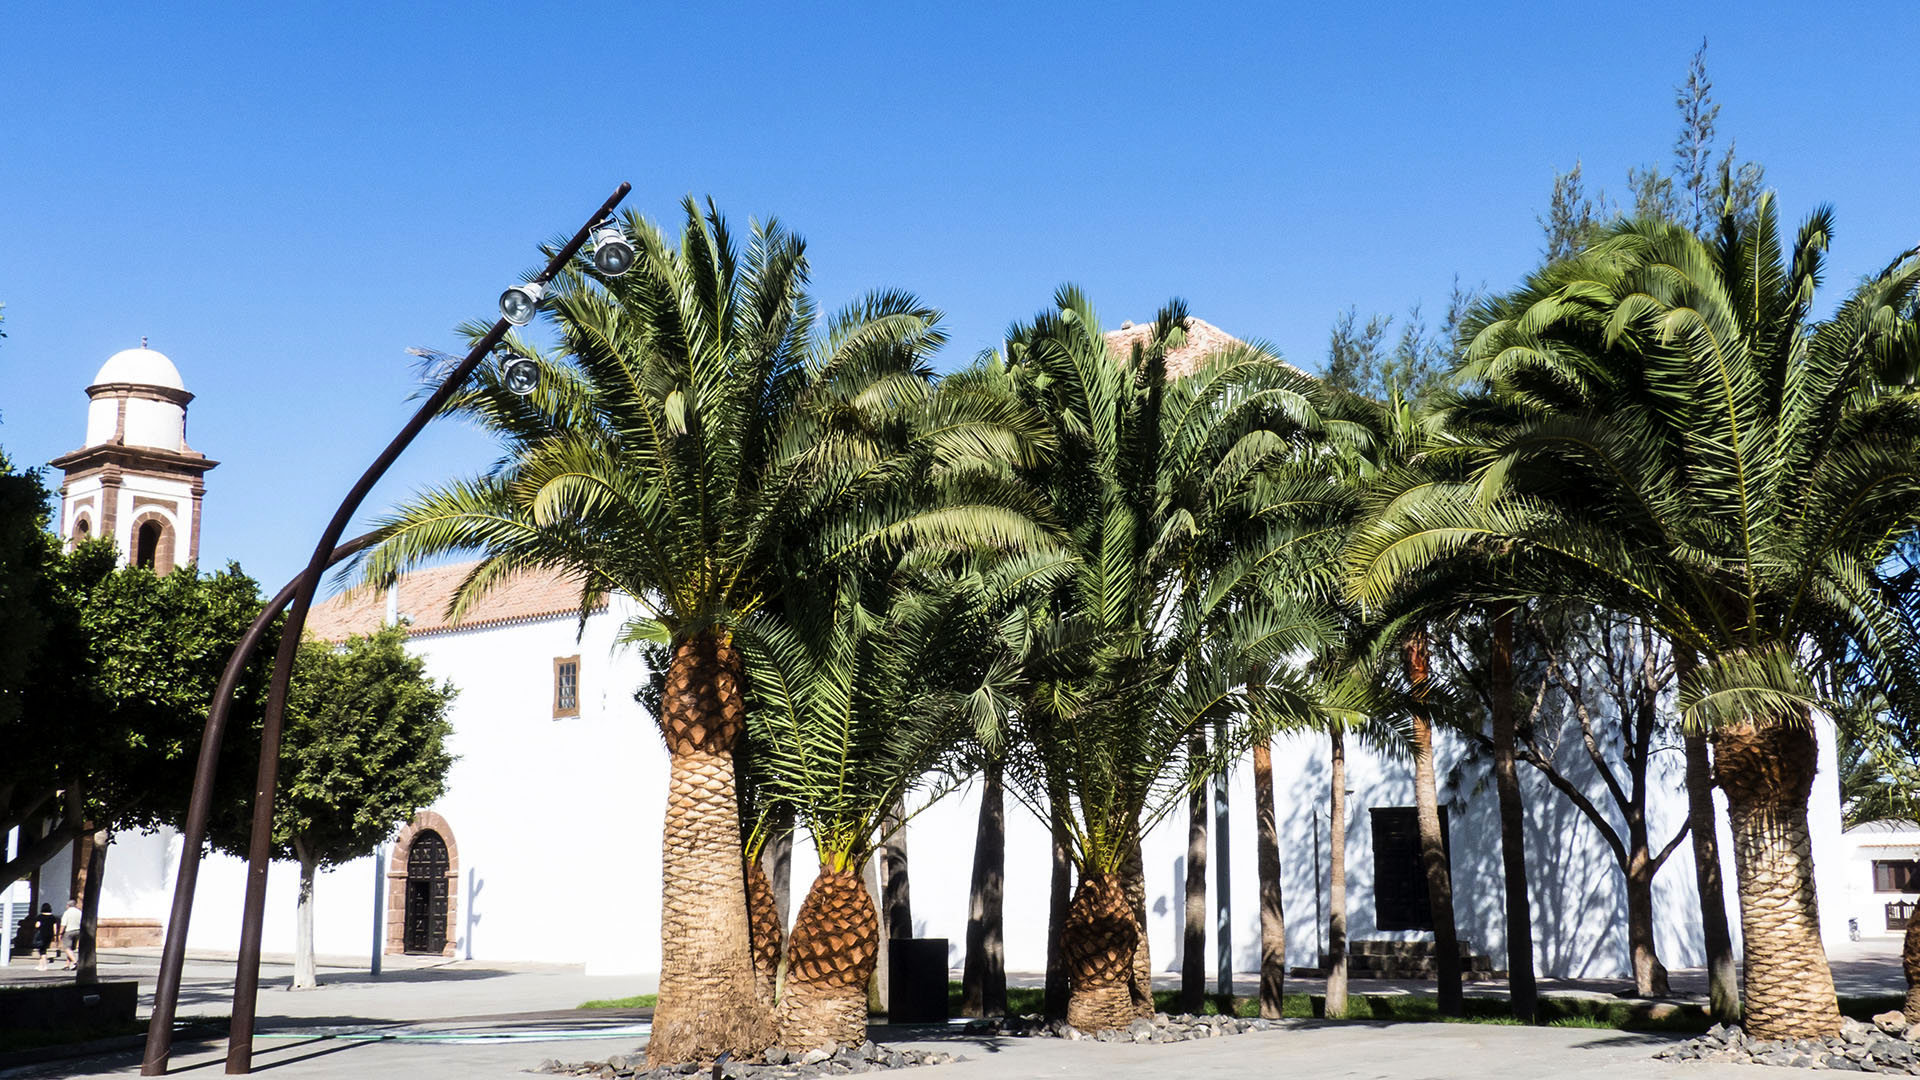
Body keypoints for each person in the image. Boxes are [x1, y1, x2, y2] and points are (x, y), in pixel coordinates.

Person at [57, 897, 82, 970]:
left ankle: (75, 962)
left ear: (68, 905)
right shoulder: (79, 912)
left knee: (67, 948)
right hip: (78, 931)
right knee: (71, 949)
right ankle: (67, 965)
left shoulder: (67, 912)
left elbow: (63, 924)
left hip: (69, 931)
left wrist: (60, 933)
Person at [32, 903, 56, 970]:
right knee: (43, 949)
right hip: (49, 935)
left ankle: (45, 965)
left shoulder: (40, 917)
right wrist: (55, 936)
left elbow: (37, 925)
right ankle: (40, 965)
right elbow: (55, 927)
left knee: (42, 951)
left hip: (41, 935)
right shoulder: (53, 917)